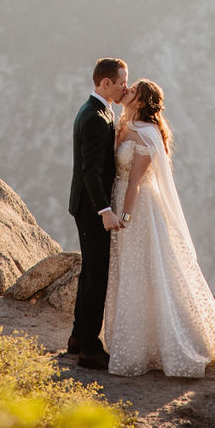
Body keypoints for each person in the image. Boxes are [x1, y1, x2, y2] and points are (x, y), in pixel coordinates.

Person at [103, 78, 215, 378]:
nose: (126, 91)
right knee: (130, 269)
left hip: (138, 208)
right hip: (118, 201)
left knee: (146, 268)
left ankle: (158, 344)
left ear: (141, 102)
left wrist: (125, 218)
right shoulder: (124, 125)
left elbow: (135, 183)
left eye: (133, 91)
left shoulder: (147, 135)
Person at [67, 56, 129, 369]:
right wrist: (105, 210)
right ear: (105, 83)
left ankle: (78, 337)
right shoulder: (93, 116)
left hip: (87, 205)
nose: (125, 88)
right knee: (97, 276)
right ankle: (89, 350)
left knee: (91, 271)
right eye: (121, 83)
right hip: (92, 209)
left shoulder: (99, 110)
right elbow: (90, 171)